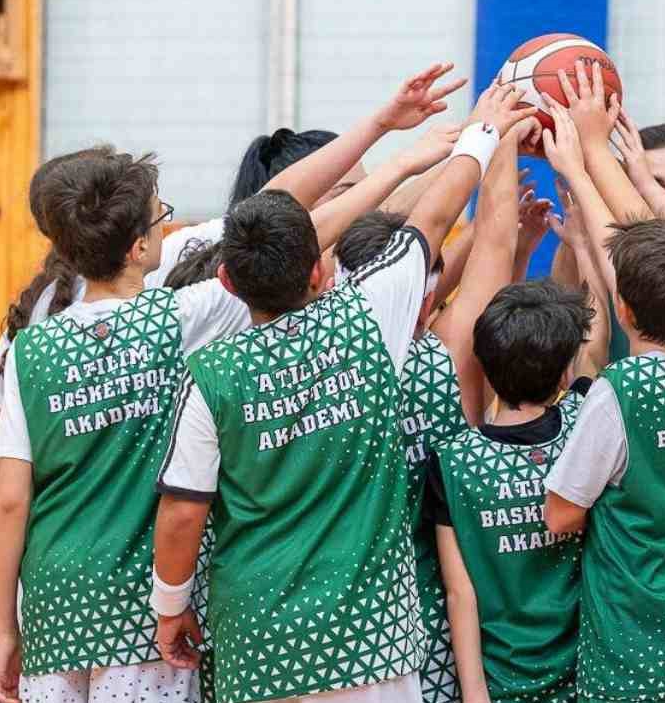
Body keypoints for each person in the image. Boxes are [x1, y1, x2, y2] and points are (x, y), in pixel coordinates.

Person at [0, 62, 465, 703]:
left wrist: (3, 629)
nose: (172, 226)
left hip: (54, 604)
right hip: (141, 608)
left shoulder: (33, 345)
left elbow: (12, 499)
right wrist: (393, 154)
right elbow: (290, 227)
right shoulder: (184, 312)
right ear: (139, 248)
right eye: (164, 218)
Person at [149, 82, 536, 703]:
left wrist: (170, 604)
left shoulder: (209, 372)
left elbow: (184, 509)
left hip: (260, 648)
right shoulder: (367, 318)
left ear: (225, 280)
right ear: (320, 269)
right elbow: (433, 218)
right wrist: (482, 132)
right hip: (373, 645)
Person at [329, 128, 550, 703]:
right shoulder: (446, 353)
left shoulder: (315, 364)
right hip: (429, 618)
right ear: (428, 296)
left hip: (331, 623)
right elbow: (497, 242)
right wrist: (499, 134)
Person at [538, 64, 665, 702]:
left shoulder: (619, 391)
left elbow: (560, 514)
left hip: (635, 646)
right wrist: (587, 169)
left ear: (623, 308)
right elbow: (621, 255)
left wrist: (579, 161)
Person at [430, 250, 609, 701]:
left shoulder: (451, 462)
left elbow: (460, 591)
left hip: (498, 683)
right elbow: (597, 343)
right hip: (584, 675)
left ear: (484, 362)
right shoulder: (583, 422)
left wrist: (474, 694)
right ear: (565, 372)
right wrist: (582, 242)